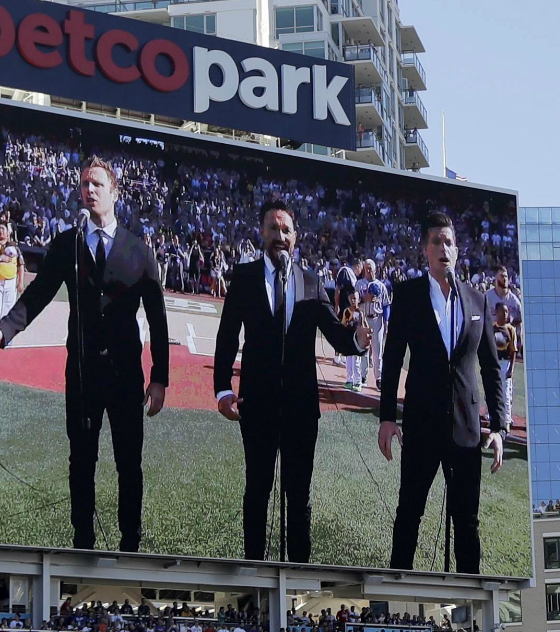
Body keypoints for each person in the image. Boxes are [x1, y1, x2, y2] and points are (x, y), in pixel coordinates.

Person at [0, 156, 169, 552]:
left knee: (128, 465)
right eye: (84, 184)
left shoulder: (138, 250)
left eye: (97, 184)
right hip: (82, 373)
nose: (89, 190)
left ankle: (130, 543)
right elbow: (38, 294)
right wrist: (4, 329)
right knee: (80, 463)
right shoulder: (68, 243)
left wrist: (160, 378)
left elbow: (158, 316)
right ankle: (81, 542)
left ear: (114, 193)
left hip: (124, 377)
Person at [213, 201, 370, 563]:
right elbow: (226, 337)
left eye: (286, 230)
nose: (280, 236)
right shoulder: (245, 277)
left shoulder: (312, 281)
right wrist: (223, 388)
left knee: (299, 498)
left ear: (295, 237)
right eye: (273, 229)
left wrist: (358, 342)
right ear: (261, 233)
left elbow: (335, 333)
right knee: (257, 492)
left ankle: (299, 577)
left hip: (301, 411)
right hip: (257, 406)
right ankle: (254, 572)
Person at [378, 211, 507, 574]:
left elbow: (491, 368)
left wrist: (498, 427)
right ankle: (396, 592)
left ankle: (471, 611)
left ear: (457, 248)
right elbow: (391, 361)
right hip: (420, 425)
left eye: (448, 241)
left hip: (466, 432)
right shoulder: (407, 295)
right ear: (424, 248)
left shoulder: (476, 300)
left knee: (467, 522)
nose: (443, 248)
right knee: (408, 515)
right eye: (436, 241)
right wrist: (388, 417)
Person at [492, 302, 518, 430]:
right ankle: (492, 415)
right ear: (496, 312)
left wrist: (511, 369)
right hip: (494, 363)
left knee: (506, 393)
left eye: (507, 311)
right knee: (492, 391)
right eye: (503, 311)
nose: (505, 314)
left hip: (505, 362)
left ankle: (507, 419)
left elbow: (513, 351)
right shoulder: (492, 328)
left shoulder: (510, 329)